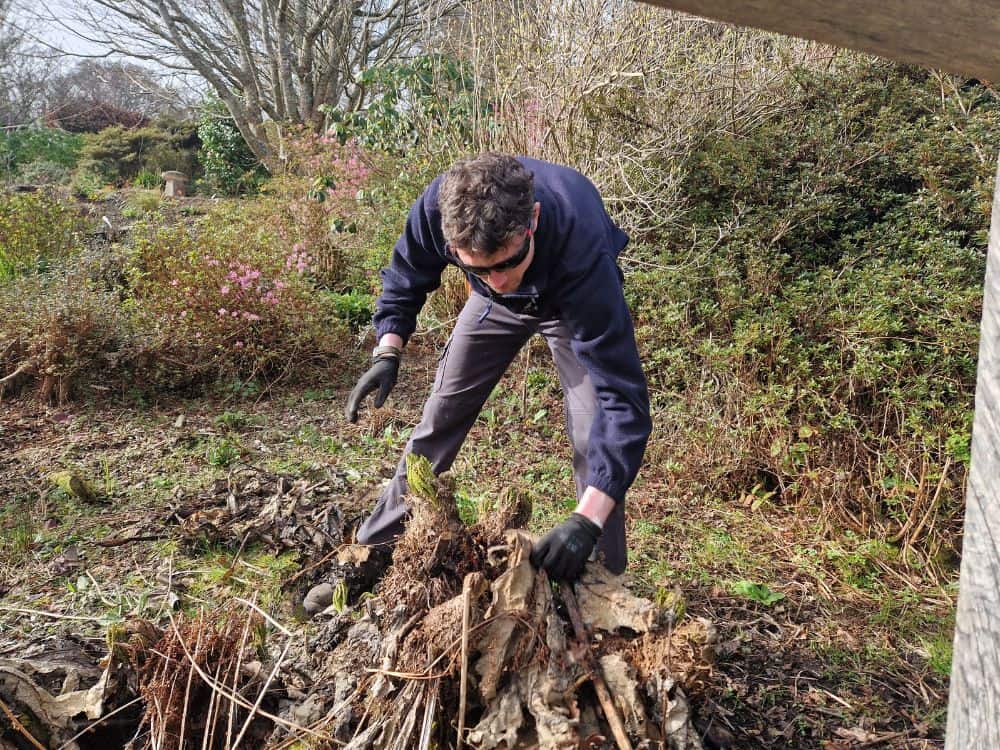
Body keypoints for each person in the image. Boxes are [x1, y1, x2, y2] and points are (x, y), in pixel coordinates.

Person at [345, 153, 651, 582]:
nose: (500, 279)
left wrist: (588, 518)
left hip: (566, 303)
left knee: (591, 426)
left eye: (507, 261)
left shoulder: (582, 245)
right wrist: (388, 349)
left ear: (533, 220)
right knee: (440, 418)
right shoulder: (438, 211)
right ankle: (372, 555)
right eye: (479, 268)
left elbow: (623, 400)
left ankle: (599, 575)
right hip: (490, 312)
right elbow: (407, 273)